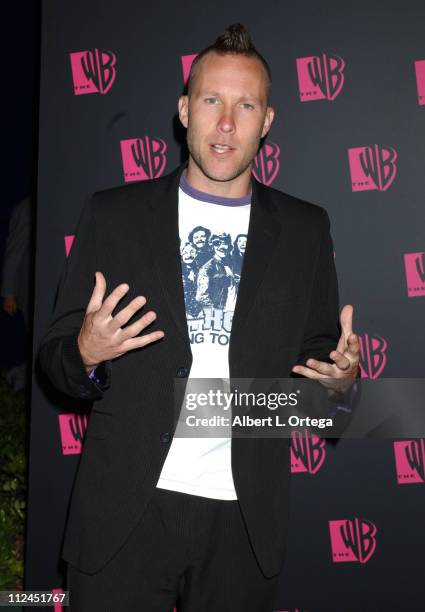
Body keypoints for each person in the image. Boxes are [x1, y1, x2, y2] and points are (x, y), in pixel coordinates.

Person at [38, 24, 360, 612]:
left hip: (244, 520)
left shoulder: (306, 229)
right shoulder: (113, 215)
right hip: (123, 514)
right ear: (185, 110)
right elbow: (55, 363)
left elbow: (322, 387)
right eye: (213, 100)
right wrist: (86, 351)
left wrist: (338, 384)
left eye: (247, 105)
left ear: (268, 121)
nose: (227, 123)